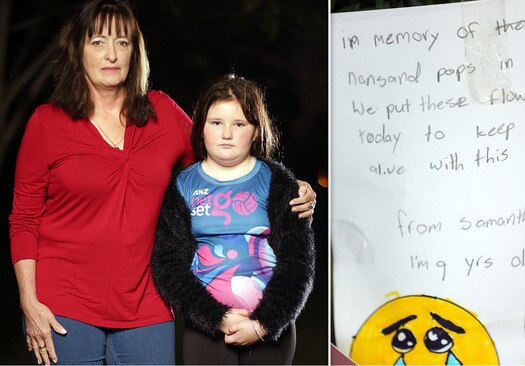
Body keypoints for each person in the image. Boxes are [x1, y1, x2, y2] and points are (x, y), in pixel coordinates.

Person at [8, 1, 316, 365]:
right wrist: (29, 303)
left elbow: (221, 157)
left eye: (123, 43)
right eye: (98, 42)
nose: (111, 54)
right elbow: (24, 220)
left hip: (147, 304)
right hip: (65, 302)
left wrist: (288, 188)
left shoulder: (163, 113)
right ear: (77, 50)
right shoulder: (47, 123)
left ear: (135, 53)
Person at [151, 74, 315, 365]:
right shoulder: (181, 186)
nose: (226, 133)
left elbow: (298, 263)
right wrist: (216, 318)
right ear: (200, 127)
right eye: (216, 123)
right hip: (207, 331)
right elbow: (168, 265)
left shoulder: (279, 183)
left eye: (239, 124)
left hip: (270, 330)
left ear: (255, 131)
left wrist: (264, 324)